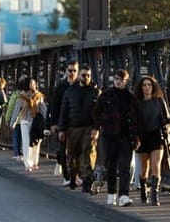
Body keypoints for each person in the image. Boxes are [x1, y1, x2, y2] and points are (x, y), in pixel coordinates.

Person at [93, 69, 139, 207]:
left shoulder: (131, 98)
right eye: (116, 79)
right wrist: (102, 125)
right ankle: (111, 193)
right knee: (111, 166)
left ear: (126, 81)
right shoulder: (106, 96)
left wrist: (137, 136)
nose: (118, 82)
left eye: (121, 79)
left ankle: (124, 195)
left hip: (126, 136)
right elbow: (96, 112)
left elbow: (137, 119)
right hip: (110, 136)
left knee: (125, 167)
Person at [133, 76, 170, 206]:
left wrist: (168, 127)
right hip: (142, 137)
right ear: (141, 88)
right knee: (144, 168)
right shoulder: (137, 103)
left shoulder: (159, 102)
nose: (147, 87)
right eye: (144, 85)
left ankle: (155, 195)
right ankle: (143, 192)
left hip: (157, 136)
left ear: (153, 87)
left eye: (149, 85)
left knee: (155, 165)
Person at [58, 64, 100, 192]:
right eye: (84, 75)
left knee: (88, 154)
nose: (86, 77)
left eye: (88, 75)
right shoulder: (70, 91)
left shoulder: (95, 92)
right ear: (79, 76)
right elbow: (64, 111)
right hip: (72, 128)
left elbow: (98, 112)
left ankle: (87, 181)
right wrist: (61, 129)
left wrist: (96, 128)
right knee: (72, 155)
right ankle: (73, 177)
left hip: (88, 128)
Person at [50, 60, 79, 186]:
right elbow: (54, 106)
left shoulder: (80, 86)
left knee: (76, 151)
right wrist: (52, 123)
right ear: (66, 71)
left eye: (74, 71)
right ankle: (66, 176)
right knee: (63, 150)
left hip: (76, 123)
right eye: (70, 70)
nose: (72, 73)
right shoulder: (60, 87)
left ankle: (74, 175)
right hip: (62, 123)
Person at [9, 77, 47, 172]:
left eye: (34, 83)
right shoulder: (22, 96)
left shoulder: (39, 96)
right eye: (31, 83)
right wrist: (13, 122)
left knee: (36, 142)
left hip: (36, 121)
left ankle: (34, 162)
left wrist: (47, 122)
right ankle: (27, 163)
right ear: (27, 85)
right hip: (25, 120)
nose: (34, 85)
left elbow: (43, 109)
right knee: (26, 142)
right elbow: (17, 109)